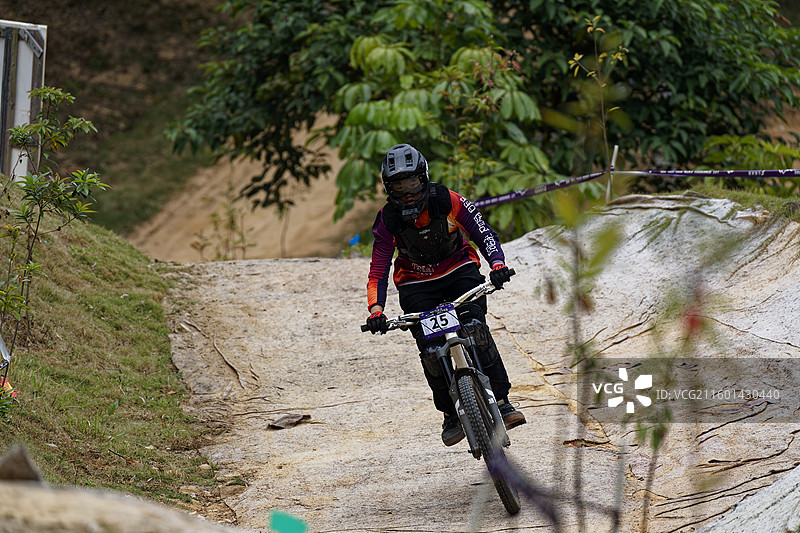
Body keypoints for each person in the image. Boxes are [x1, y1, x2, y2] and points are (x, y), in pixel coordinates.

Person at [365, 143, 526, 446]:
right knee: (431, 351)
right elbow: (378, 269)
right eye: (399, 186)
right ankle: (451, 415)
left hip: (459, 271)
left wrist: (498, 264)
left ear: (424, 178)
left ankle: (503, 402)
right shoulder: (387, 220)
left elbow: (483, 233)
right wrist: (376, 309)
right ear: (388, 188)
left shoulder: (448, 200)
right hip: (416, 284)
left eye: (412, 182)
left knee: (475, 329)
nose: (408, 193)